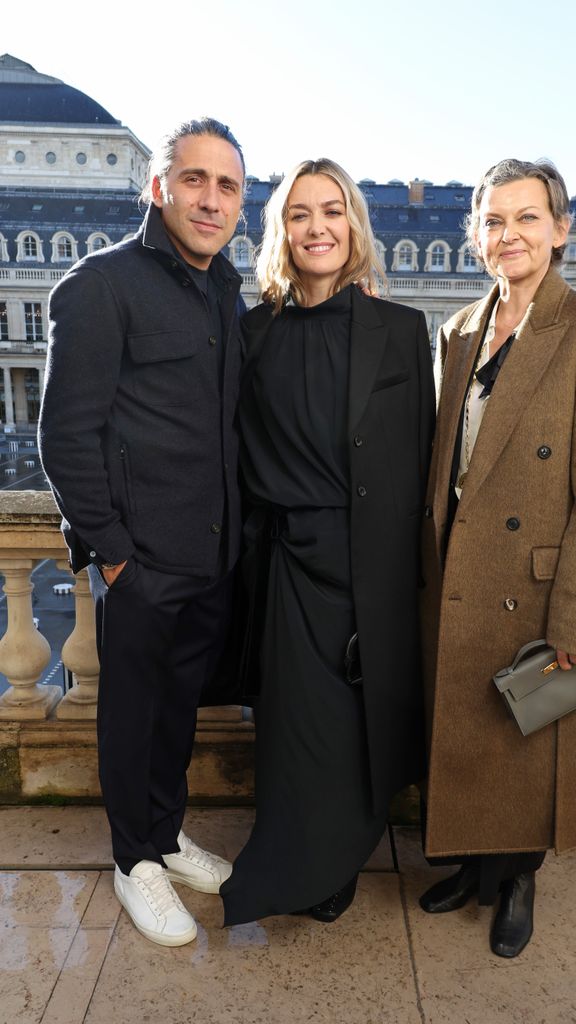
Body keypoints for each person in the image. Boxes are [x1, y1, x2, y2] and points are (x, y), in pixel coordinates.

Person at [419, 158, 576, 957]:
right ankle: (476, 868)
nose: (507, 235)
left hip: (536, 586)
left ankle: (517, 879)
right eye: (492, 220)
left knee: (526, 743)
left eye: (525, 218)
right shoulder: (457, 331)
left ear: (559, 229)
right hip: (457, 576)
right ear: (475, 235)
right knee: (472, 732)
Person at [38, 118, 247, 947]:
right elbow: (65, 435)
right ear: (157, 187)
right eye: (193, 179)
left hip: (210, 556)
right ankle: (134, 865)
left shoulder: (226, 291)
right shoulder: (101, 284)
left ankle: (165, 835)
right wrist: (115, 555)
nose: (209, 198)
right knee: (131, 716)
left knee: (177, 715)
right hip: (142, 562)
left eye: (227, 185)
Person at [220, 158, 435, 925]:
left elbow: (419, 456)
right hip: (283, 563)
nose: (318, 228)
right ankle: (297, 866)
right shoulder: (252, 332)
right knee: (292, 729)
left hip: (365, 562)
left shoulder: (401, 330)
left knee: (355, 727)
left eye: (333, 211)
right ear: (282, 230)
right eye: (301, 214)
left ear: (354, 226)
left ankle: (341, 858)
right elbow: (233, 449)